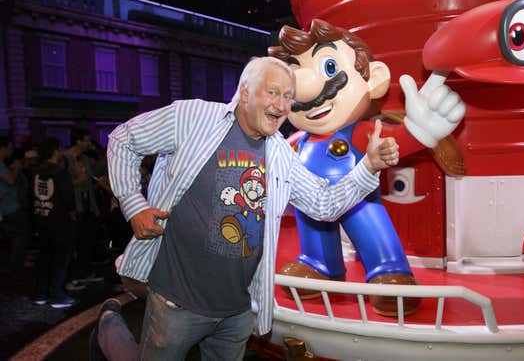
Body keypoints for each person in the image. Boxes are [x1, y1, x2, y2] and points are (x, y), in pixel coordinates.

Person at [92, 56, 401, 361]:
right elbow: (124, 140)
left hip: (236, 313)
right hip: (176, 303)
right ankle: (108, 327)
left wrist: (369, 165)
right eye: (272, 92)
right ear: (244, 92)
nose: (281, 105)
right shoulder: (193, 117)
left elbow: (323, 203)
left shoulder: (280, 152)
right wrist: (134, 205)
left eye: (288, 97)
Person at [268, 19, 465, 315]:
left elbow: (395, 142)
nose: (306, 91)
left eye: (329, 68)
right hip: (310, 201)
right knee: (310, 220)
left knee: (368, 224)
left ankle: (388, 269)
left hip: (357, 198)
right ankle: (319, 264)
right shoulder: (297, 141)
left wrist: (420, 130)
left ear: (373, 78)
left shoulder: (359, 133)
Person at [32, 137, 77, 308]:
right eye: (58, 149)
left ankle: (40, 293)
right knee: (59, 259)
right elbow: (68, 199)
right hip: (59, 222)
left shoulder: (34, 171)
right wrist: (72, 213)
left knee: (43, 257)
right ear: (54, 151)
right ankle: (57, 295)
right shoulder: (60, 173)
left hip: (40, 219)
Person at [64, 128, 103, 289]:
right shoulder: (65, 158)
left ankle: (84, 273)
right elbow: (63, 185)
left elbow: (89, 182)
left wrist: (94, 206)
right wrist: (77, 182)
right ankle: (72, 277)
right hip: (73, 205)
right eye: (86, 140)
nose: (88, 143)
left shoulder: (85, 158)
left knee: (86, 240)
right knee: (73, 243)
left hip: (87, 204)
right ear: (78, 141)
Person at [0, 138, 31, 275]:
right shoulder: (0, 164)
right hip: (9, 206)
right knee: (19, 236)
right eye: (10, 148)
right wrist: (17, 167)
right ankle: (15, 267)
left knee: (14, 237)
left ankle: (15, 264)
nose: (10, 151)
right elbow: (11, 180)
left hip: (9, 206)